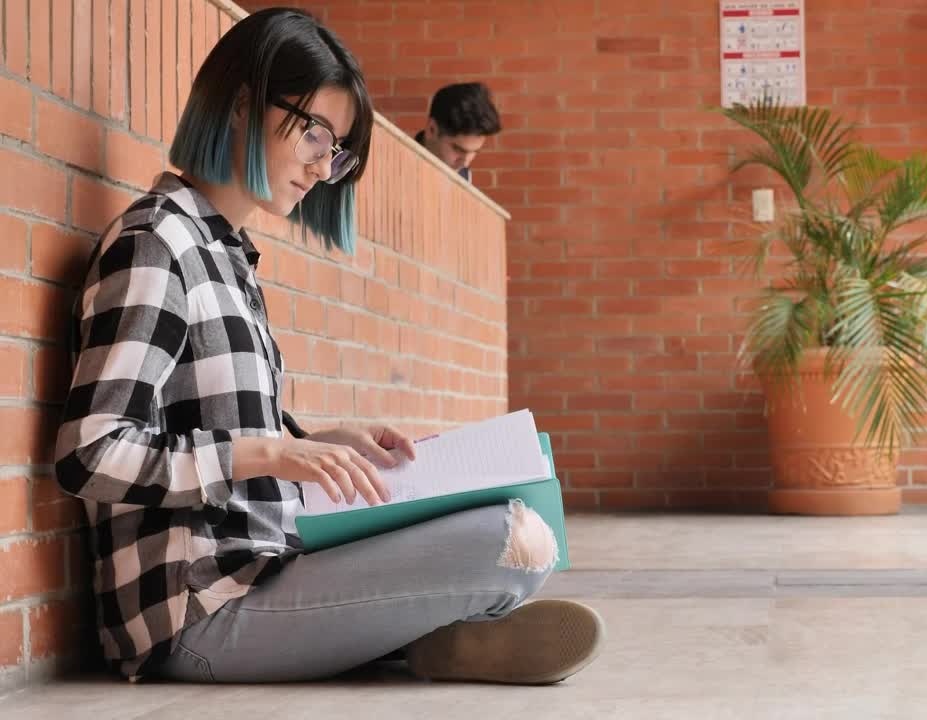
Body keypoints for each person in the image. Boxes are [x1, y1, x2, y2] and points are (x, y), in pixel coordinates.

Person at [54, 8, 603, 685]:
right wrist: (274, 452)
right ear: (243, 104)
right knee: (505, 542)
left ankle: (421, 640)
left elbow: (218, 433)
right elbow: (90, 451)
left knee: (523, 525)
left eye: (336, 150)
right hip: (197, 608)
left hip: (269, 564)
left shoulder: (226, 256)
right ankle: (420, 638)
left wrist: (325, 443)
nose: (323, 166)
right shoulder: (155, 244)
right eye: (316, 133)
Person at [412, 82, 501, 182]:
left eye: (475, 151)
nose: (465, 163)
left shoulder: (465, 175)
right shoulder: (396, 166)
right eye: (458, 149)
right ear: (432, 130)